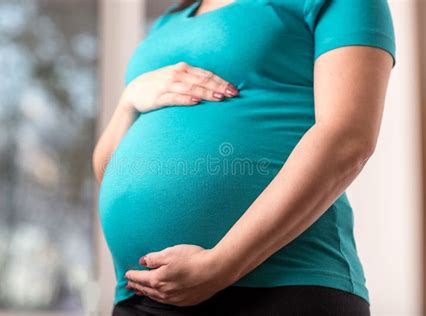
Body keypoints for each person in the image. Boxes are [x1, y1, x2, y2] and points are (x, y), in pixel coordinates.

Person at [93, 0, 396, 315]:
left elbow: (347, 139)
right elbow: (106, 171)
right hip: (142, 296)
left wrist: (222, 263)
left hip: (284, 285)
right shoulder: (166, 23)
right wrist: (129, 100)